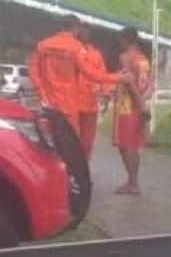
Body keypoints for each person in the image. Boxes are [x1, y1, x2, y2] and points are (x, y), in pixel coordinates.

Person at [29, 15, 117, 146]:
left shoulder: (44, 44)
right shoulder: (75, 47)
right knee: (68, 145)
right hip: (69, 106)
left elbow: (33, 73)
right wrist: (118, 77)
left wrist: (42, 95)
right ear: (75, 28)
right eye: (82, 28)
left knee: (50, 143)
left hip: (52, 104)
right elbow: (91, 73)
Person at [112, 26, 153, 194]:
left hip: (127, 107)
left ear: (125, 39)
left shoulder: (125, 58)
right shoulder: (144, 59)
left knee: (125, 146)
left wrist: (139, 103)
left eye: (120, 39)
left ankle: (132, 183)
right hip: (139, 107)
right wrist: (143, 102)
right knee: (134, 146)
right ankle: (134, 181)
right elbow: (151, 85)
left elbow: (130, 83)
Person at [73, 21, 110, 159]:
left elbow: (103, 76)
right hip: (72, 103)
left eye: (87, 30)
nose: (85, 33)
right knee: (72, 138)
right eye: (82, 29)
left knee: (88, 140)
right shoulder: (71, 50)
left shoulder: (96, 54)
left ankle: (84, 167)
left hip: (90, 104)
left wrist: (106, 95)